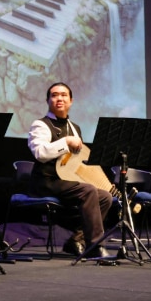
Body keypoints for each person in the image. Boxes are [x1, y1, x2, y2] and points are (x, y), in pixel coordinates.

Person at [27, 82, 115, 260]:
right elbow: (40, 153)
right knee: (88, 190)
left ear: (71, 100)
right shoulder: (40, 125)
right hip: (47, 181)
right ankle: (95, 246)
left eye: (63, 95)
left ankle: (76, 239)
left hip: (67, 182)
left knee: (105, 196)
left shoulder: (75, 127)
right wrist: (66, 142)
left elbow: (75, 163)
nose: (59, 98)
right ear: (47, 100)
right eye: (54, 95)